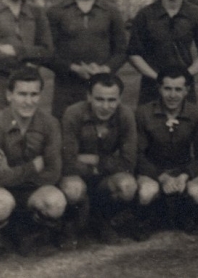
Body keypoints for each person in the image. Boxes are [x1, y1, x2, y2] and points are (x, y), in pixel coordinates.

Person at [0, 67, 65, 263]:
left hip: (25, 188)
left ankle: (24, 230)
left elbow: (53, 173)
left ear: (40, 95)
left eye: (34, 94)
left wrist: (9, 172)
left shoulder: (50, 124)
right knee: (0, 204)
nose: (28, 101)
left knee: (55, 202)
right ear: (9, 95)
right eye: (22, 94)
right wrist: (32, 168)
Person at [59, 73, 138, 247]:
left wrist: (96, 160)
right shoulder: (73, 113)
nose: (105, 106)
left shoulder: (125, 115)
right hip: (77, 175)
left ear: (120, 99)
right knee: (73, 189)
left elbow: (128, 163)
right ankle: (71, 223)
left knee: (127, 186)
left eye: (112, 100)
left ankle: (103, 219)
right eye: (99, 99)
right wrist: (105, 164)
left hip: (105, 177)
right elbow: (67, 161)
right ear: (89, 97)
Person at [47, 0, 127, 119]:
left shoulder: (111, 11)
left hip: (103, 93)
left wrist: (105, 69)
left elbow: (121, 51)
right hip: (66, 92)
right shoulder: (56, 12)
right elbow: (47, 54)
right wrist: (74, 68)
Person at [135, 66, 198, 236]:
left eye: (178, 89)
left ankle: (187, 216)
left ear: (187, 90)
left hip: (183, 168)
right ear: (159, 88)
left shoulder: (197, 113)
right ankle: (148, 218)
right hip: (153, 168)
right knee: (147, 192)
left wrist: (185, 175)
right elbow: (137, 154)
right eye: (167, 88)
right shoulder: (143, 113)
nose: (172, 95)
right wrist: (161, 176)